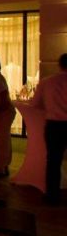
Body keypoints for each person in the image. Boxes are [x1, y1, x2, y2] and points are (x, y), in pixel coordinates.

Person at [32, 53, 67, 205]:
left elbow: (35, 104)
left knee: (53, 160)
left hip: (54, 125)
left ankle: (52, 196)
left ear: (60, 64)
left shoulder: (47, 82)